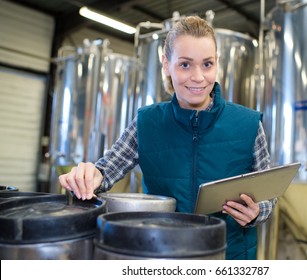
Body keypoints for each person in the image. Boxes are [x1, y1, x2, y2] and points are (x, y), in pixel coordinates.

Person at [59, 15, 275, 260]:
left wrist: (258, 212)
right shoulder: (147, 123)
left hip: (231, 257)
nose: (198, 77)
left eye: (207, 64)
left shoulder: (248, 124)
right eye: (185, 64)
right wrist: (87, 176)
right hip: (162, 255)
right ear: (166, 64)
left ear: (217, 63)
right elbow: (106, 171)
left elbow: (269, 195)